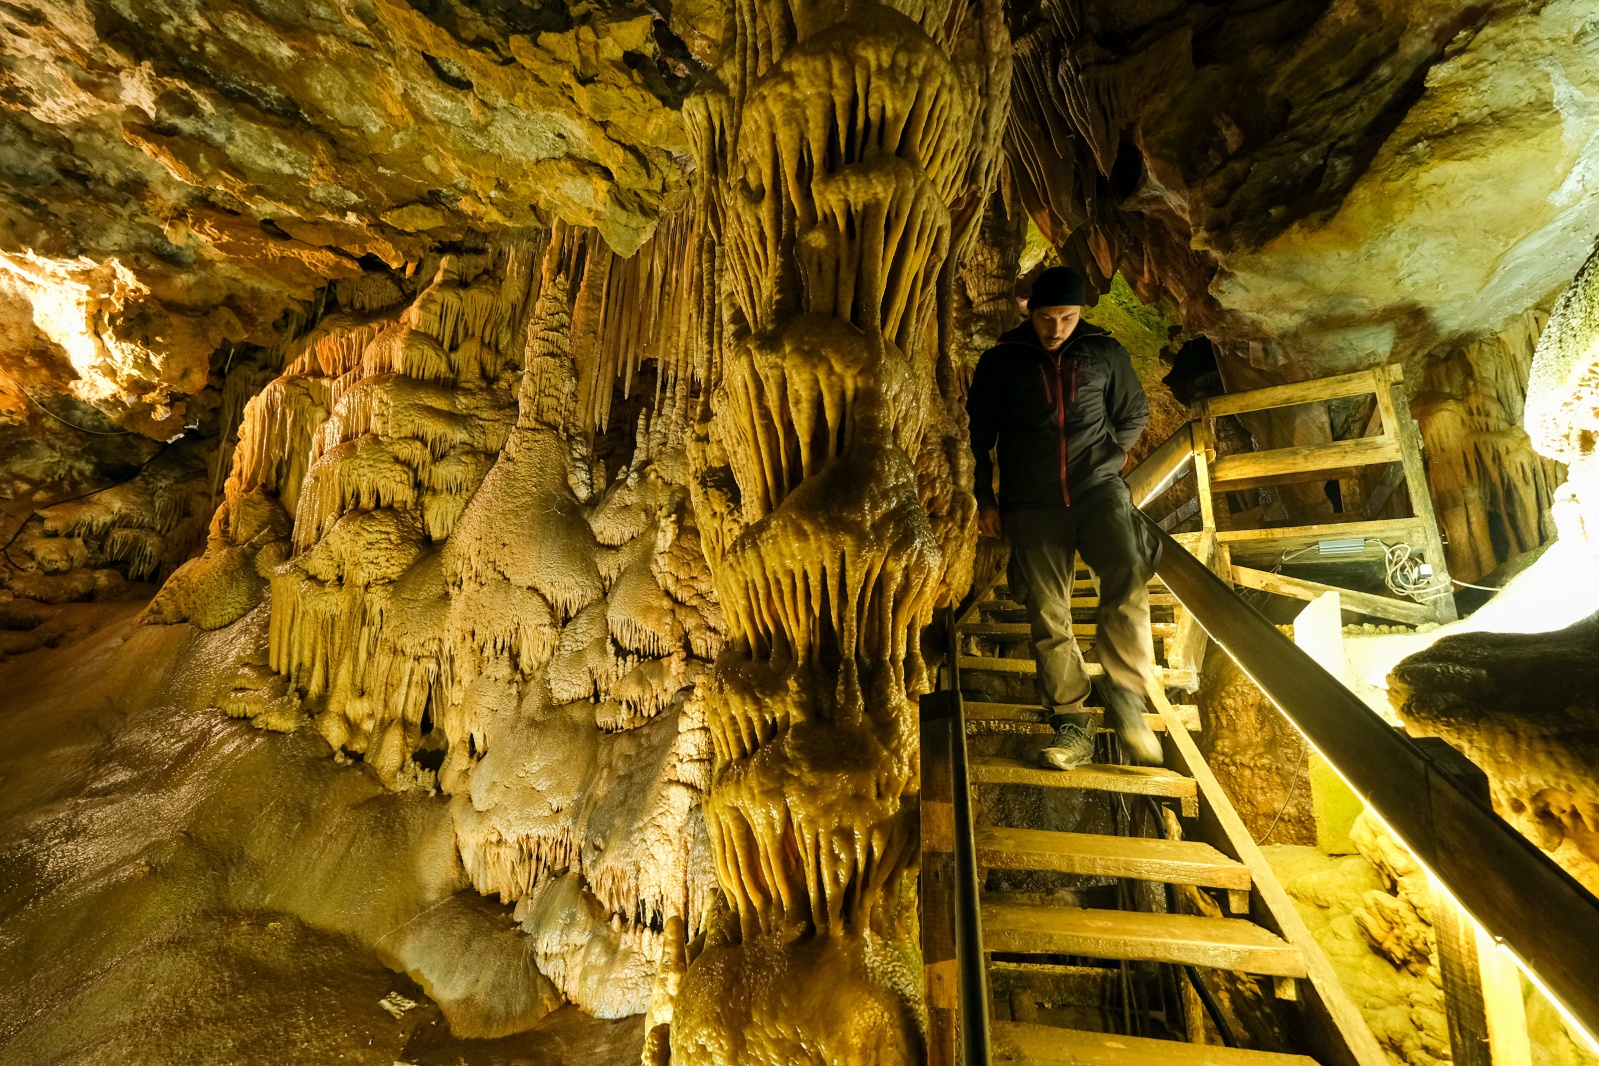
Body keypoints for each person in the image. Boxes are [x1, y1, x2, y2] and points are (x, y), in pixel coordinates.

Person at [966, 265, 1163, 770]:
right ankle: (1073, 721)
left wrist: (1110, 458)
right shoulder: (1001, 362)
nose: (1056, 329)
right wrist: (985, 498)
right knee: (1048, 614)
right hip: (1031, 503)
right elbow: (979, 436)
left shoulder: (1104, 353)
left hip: (1098, 493)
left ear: (1081, 314)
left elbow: (1134, 412)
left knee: (1128, 574)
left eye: (1067, 318)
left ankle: (1126, 699)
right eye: (1047, 318)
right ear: (1029, 312)